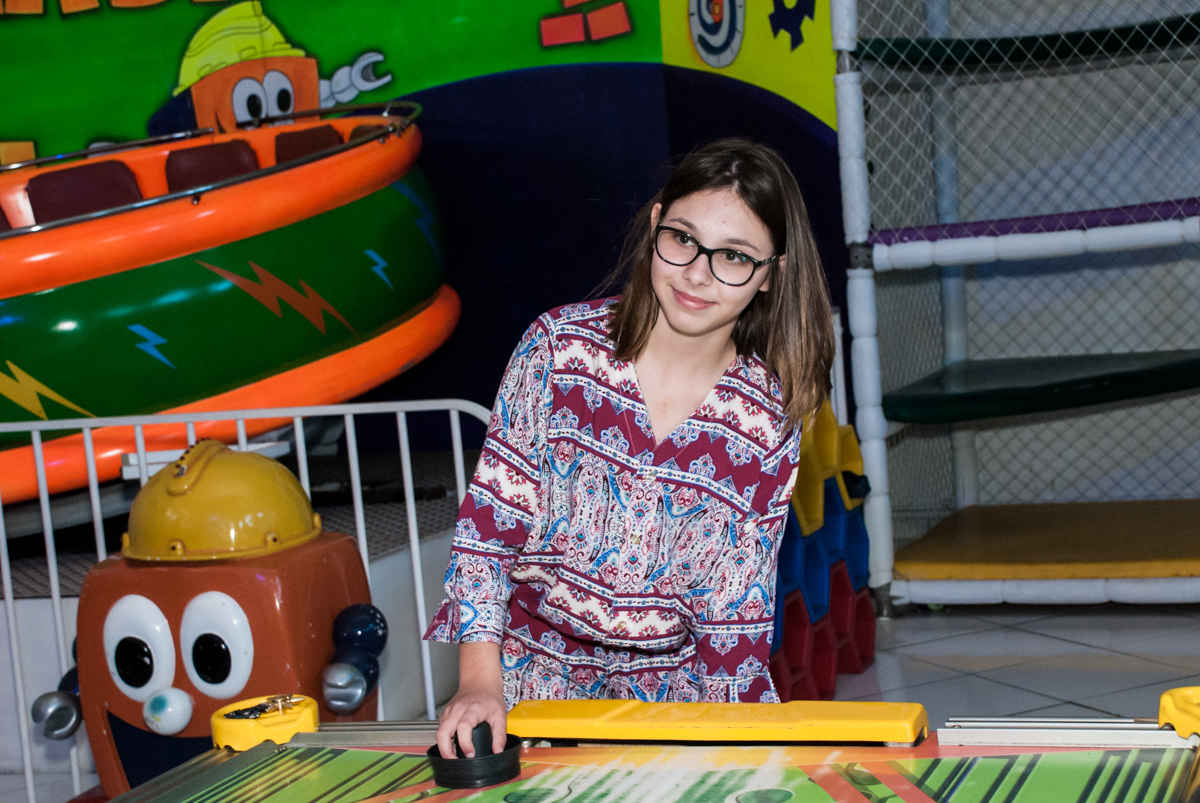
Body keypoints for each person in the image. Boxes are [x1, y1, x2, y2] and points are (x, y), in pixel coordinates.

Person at [424, 138, 835, 759]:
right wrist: (480, 684)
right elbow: (487, 531)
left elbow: (735, 610)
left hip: (675, 706)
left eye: (735, 257)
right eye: (683, 239)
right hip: (527, 689)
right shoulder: (557, 352)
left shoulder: (765, 416)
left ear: (771, 276)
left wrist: (743, 749)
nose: (698, 272)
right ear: (654, 226)